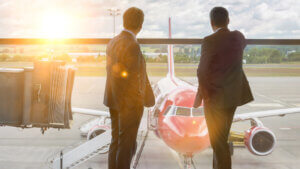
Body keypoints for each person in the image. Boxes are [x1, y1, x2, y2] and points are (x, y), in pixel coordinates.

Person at [193, 7, 254, 169]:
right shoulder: (239, 37)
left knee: (217, 142)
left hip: (214, 98)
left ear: (211, 23)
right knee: (222, 138)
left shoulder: (208, 41)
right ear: (228, 21)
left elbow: (202, 71)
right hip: (233, 98)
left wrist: (201, 95)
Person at [104, 7, 155, 169]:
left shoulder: (112, 41)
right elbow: (134, 78)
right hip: (129, 105)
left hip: (113, 100)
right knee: (127, 146)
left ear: (124, 21)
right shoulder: (133, 45)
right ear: (140, 26)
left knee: (116, 142)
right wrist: (138, 102)